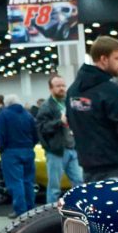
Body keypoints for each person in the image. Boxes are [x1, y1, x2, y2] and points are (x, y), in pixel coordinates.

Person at [66, 35, 118, 182]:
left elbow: (71, 122)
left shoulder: (73, 91)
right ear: (104, 59)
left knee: (95, 205)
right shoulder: (110, 90)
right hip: (116, 167)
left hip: (88, 169)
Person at [36, 74, 84, 203]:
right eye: (58, 86)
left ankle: (80, 209)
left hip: (72, 149)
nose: (62, 88)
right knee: (54, 188)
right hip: (56, 152)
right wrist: (59, 121)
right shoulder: (46, 107)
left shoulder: (69, 102)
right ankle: (49, 218)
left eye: (63, 85)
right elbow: (42, 128)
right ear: (51, 89)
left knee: (79, 182)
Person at [0, 94, 38, 217]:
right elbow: (35, 134)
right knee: (28, 181)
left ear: (6, 104)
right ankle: (31, 209)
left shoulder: (3, 115)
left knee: (15, 182)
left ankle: (20, 211)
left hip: (11, 152)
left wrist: (2, 149)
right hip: (28, 150)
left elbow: (0, 135)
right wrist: (30, 146)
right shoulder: (28, 115)